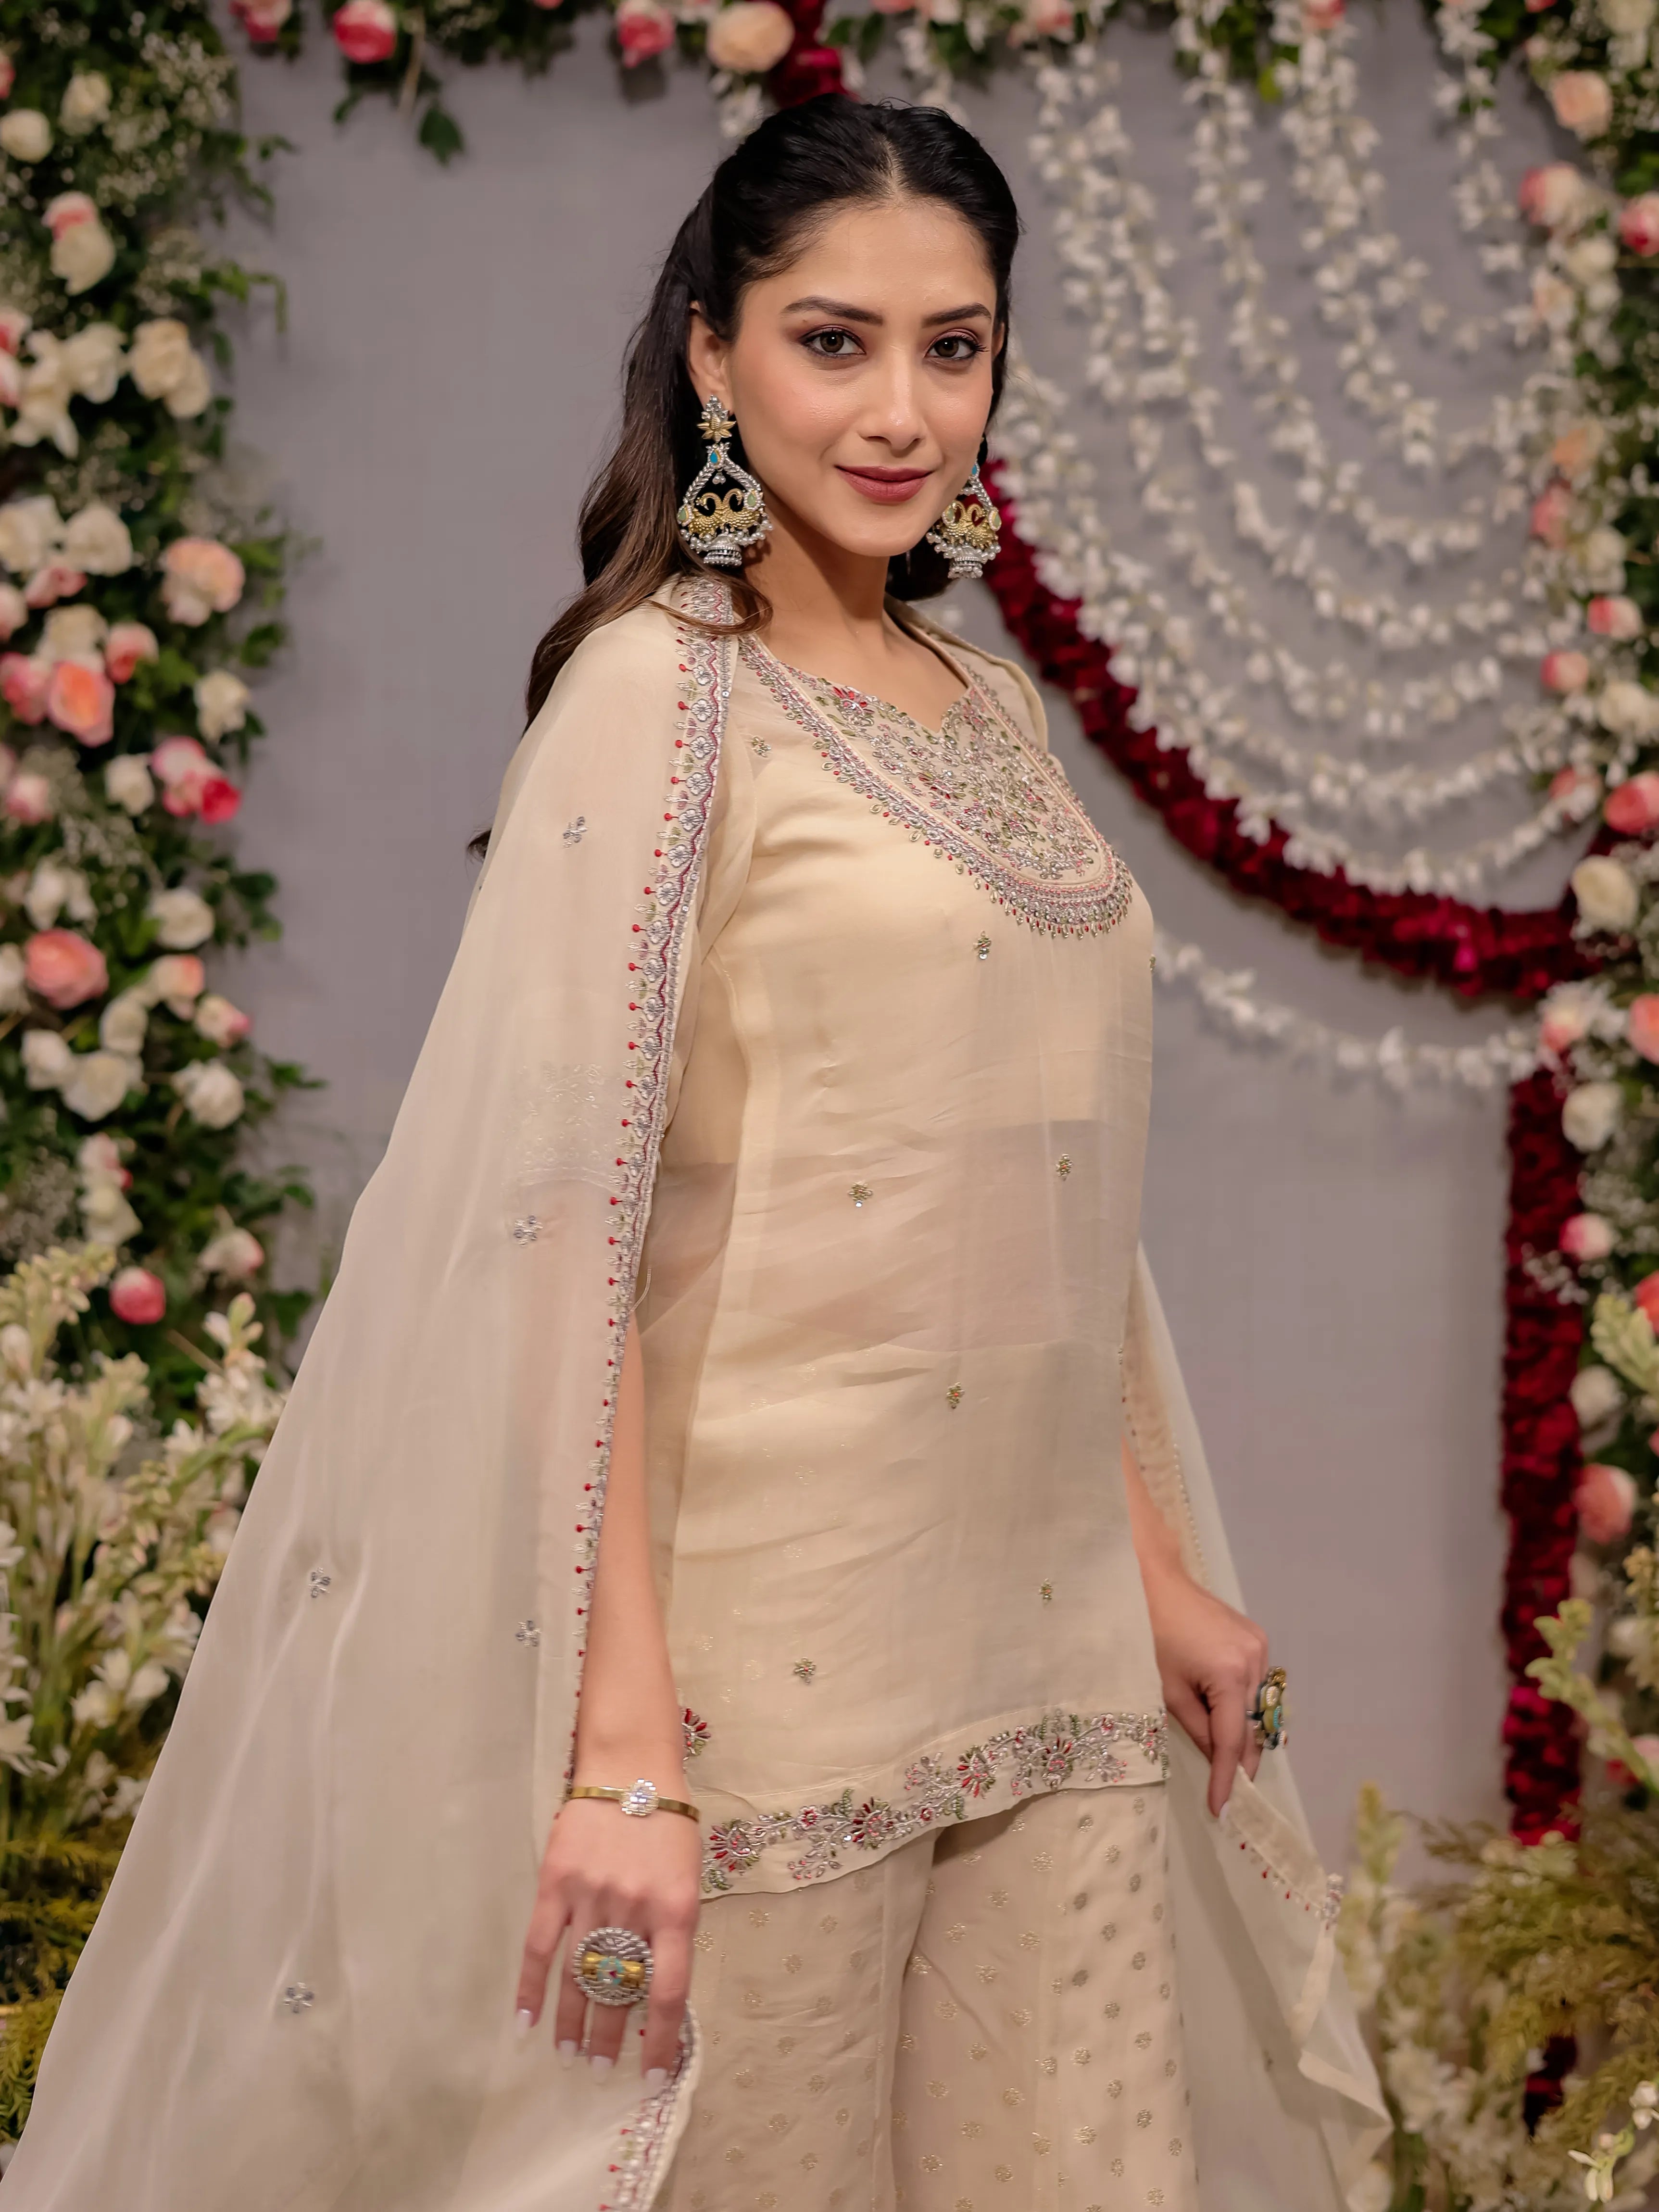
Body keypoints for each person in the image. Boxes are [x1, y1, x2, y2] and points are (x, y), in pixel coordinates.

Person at [4, 96, 1383, 2212]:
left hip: (1051, 1673)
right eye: (835, 342)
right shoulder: (665, 696)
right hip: (769, 1696)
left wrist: (1150, 1564)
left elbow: (1036, 1199)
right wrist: (623, 1752)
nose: (904, 408)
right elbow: (577, 1238)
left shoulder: (984, 711)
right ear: (713, 356)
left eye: (957, 345)